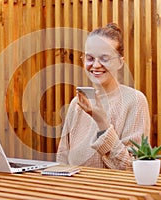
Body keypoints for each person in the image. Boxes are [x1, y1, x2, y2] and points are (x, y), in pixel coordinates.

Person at [56, 23, 151, 170]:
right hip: (75, 190)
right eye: (90, 58)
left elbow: (132, 168)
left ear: (120, 62)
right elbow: (62, 157)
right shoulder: (77, 103)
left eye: (104, 58)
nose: (96, 65)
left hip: (115, 192)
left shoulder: (135, 101)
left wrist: (102, 123)